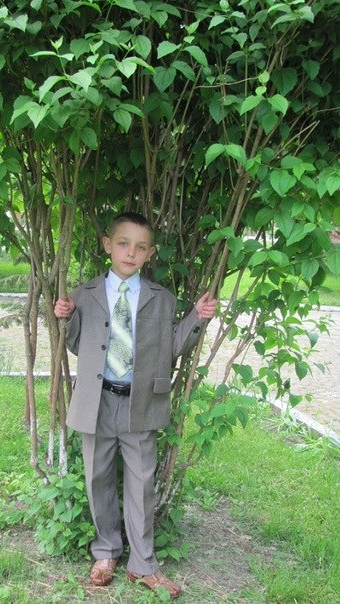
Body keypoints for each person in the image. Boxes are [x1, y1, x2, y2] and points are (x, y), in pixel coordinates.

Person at [54, 212, 217, 599]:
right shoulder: (84, 295)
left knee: (141, 483)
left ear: (150, 253)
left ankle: (143, 564)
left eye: (140, 247)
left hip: (141, 403)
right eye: (123, 244)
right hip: (97, 401)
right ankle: (106, 552)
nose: (131, 253)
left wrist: (197, 317)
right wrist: (67, 318)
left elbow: (171, 348)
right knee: (98, 478)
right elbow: (76, 344)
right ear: (108, 245)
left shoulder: (162, 298)